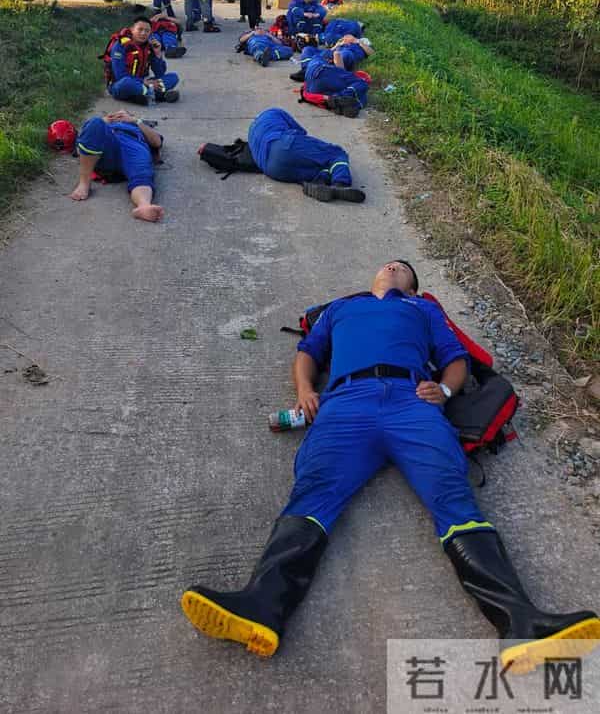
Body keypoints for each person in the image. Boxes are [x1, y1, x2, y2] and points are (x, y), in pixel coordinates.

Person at [180, 259, 600, 667]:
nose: (393, 267)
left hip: (411, 402)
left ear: (413, 287)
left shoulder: (423, 309)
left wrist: (446, 392)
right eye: (389, 265)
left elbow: (455, 360)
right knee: (312, 491)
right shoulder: (341, 307)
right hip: (345, 402)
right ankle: (261, 606)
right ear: (374, 277)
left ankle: (522, 623)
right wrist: (306, 390)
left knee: (453, 496)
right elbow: (308, 351)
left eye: (404, 268)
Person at [199, 108, 365, 203]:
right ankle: (341, 183)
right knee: (336, 153)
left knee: (319, 165)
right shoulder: (276, 112)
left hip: (272, 170)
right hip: (284, 144)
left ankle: (319, 182)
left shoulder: (252, 130)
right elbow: (301, 133)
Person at [70, 110, 164, 222]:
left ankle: (144, 206)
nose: (119, 116)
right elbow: (82, 146)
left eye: (123, 114)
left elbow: (157, 142)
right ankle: (84, 183)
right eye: (115, 114)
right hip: (109, 146)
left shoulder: (138, 125)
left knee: (141, 172)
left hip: (133, 144)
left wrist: (135, 121)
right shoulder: (103, 124)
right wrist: (103, 122)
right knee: (95, 123)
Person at [107, 17, 179, 105]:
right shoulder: (120, 46)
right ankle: (158, 95)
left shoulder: (149, 46)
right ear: (132, 30)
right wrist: (145, 82)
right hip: (120, 85)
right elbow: (120, 76)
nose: (143, 33)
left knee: (173, 77)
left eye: (147, 31)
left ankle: (143, 96)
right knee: (126, 82)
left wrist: (158, 54)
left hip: (143, 84)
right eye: (140, 29)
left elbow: (160, 73)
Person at [303, 52, 369, 112]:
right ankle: (341, 98)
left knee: (337, 89)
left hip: (311, 86)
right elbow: (337, 54)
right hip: (322, 72)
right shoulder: (328, 56)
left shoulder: (315, 57)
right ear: (330, 60)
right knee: (362, 85)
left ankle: (339, 100)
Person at [292, 35, 374, 81]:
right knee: (308, 49)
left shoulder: (364, 41)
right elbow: (330, 51)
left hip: (348, 53)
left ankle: (314, 72)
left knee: (343, 54)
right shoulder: (344, 40)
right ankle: (306, 70)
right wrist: (338, 44)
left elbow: (371, 52)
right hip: (333, 52)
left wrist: (356, 41)